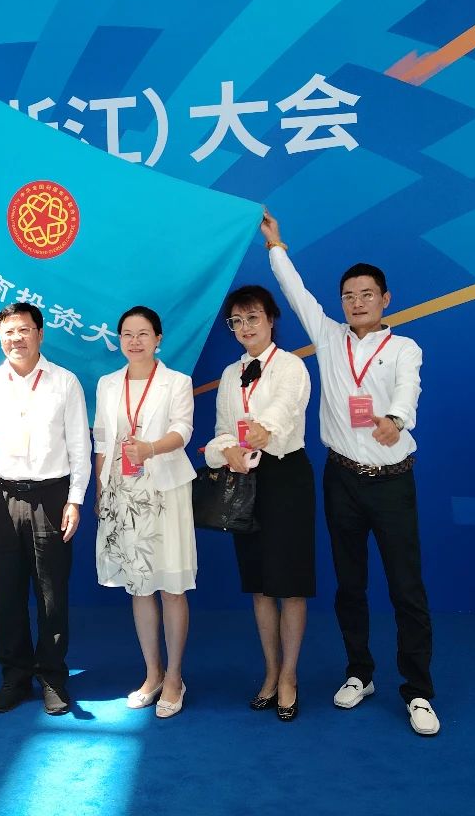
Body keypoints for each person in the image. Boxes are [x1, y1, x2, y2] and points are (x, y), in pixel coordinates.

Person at [261, 212, 439, 737]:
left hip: (392, 480)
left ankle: (419, 691)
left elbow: (409, 389)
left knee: (406, 588)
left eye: (366, 294)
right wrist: (276, 247)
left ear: (385, 299)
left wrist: (395, 420)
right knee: (349, 585)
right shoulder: (328, 336)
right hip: (341, 479)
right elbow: (295, 293)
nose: (356, 302)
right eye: (348, 296)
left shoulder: (404, 348)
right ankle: (360, 673)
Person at [0, 301, 91, 715]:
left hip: (52, 496)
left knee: (52, 593)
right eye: (8, 332)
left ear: (40, 333)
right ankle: (14, 676)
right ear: (0, 337)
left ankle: (52, 676)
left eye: (24, 330)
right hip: (2, 497)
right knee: (7, 590)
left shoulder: (64, 382)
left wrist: (74, 500)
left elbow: (80, 447)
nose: (16, 338)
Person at [204, 285, 314, 722]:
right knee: (260, 584)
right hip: (244, 482)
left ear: (271, 320)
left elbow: (284, 411)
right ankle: (270, 671)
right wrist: (227, 449)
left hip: (285, 478)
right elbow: (220, 430)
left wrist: (259, 431)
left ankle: (290, 676)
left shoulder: (291, 366)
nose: (245, 327)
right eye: (237, 321)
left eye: (253, 318)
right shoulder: (230, 374)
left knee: (291, 582)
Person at [93, 306, 197, 719]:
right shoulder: (107, 383)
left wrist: (150, 448)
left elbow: (183, 430)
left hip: (164, 490)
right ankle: (152, 673)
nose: (134, 341)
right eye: (127, 334)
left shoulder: (177, 381)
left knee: (171, 586)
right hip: (122, 491)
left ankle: (175, 676)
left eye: (143, 334)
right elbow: (102, 439)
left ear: (158, 339)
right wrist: (101, 490)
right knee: (139, 586)